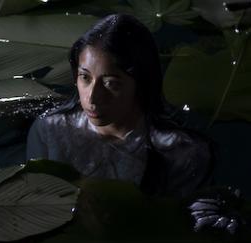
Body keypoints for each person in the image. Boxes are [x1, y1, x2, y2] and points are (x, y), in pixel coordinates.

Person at [26, 14, 213, 198]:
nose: (92, 98)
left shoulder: (180, 151)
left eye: (111, 83)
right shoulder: (49, 131)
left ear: (141, 83)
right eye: (85, 77)